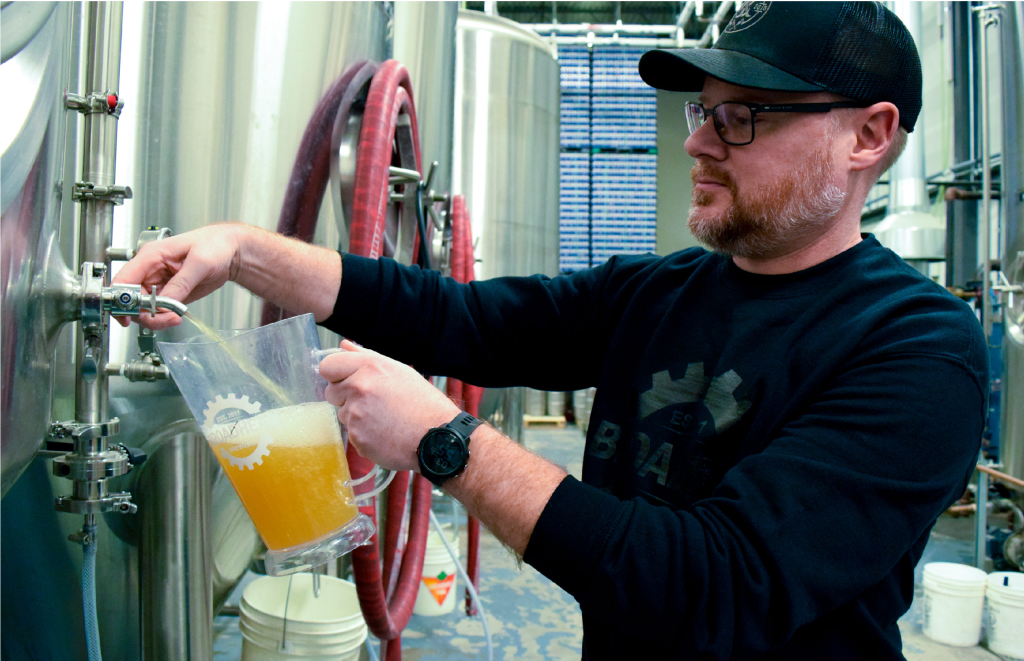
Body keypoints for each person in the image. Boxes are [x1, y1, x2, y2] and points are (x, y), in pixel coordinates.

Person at [114, 2, 988, 658]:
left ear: (869, 136)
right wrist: (242, 253)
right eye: (701, 112)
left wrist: (444, 443)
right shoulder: (657, 292)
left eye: (741, 116)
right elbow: (455, 317)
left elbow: (712, 585)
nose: (698, 144)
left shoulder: (916, 348)